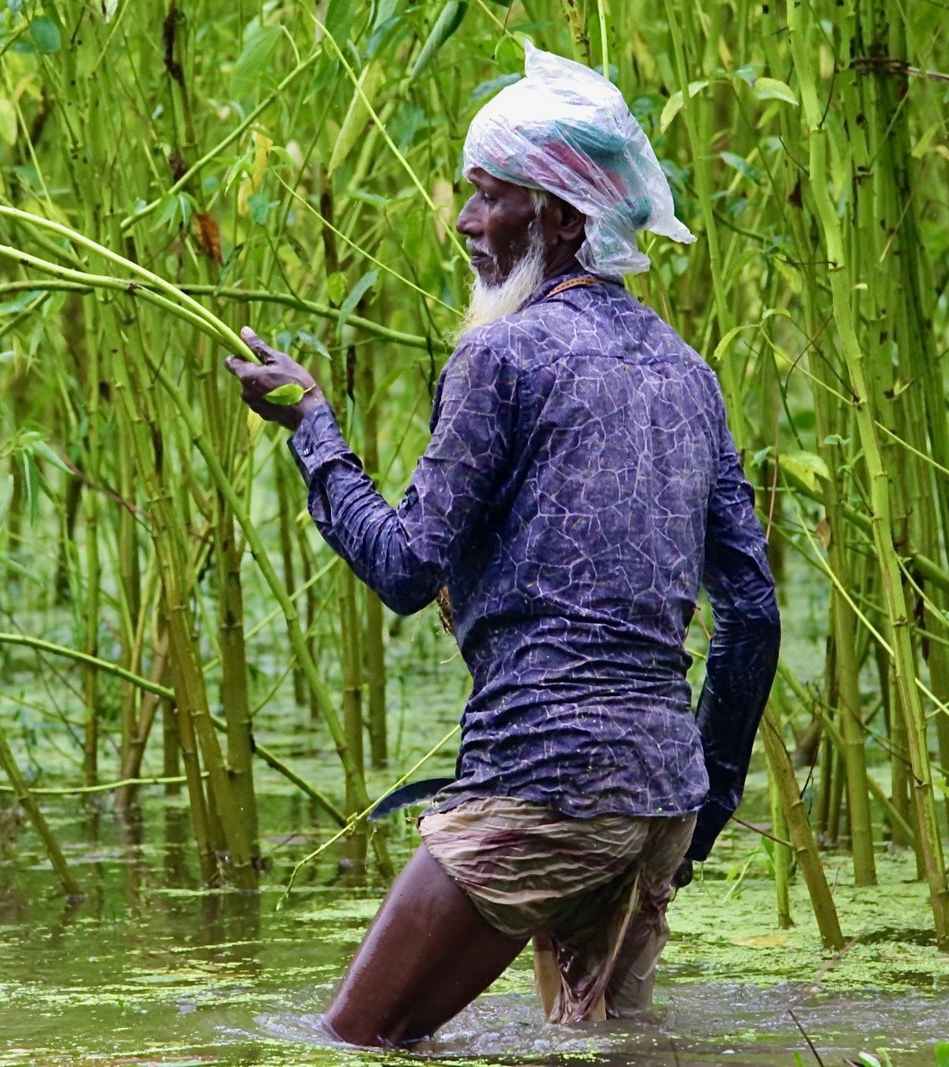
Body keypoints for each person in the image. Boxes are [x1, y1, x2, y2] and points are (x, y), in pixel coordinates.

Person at [225, 42, 780, 1048]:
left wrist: (313, 428)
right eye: (467, 198)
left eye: (492, 199)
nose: (468, 225)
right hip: (656, 798)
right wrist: (702, 798)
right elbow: (753, 610)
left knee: (348, 1043)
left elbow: (402, 567)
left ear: (563, 217)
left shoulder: (500, 353)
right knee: (600, 1047)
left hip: (540, 779)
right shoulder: (686, 370)